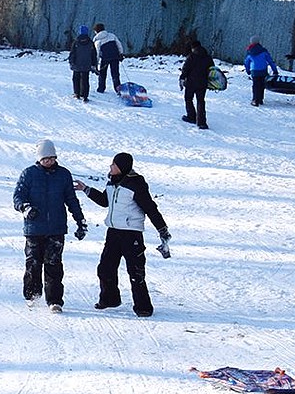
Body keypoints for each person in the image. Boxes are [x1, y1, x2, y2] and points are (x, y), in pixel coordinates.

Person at [74, 153, 169, 318]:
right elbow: (105, 201)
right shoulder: (112, 182)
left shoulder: (136, 185)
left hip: (131, 234)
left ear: (122, 167)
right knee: (105, 268)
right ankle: (110, 299)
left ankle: (143, 307)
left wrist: (162, 229)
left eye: (113, 164)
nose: (110, 167)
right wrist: (86, 189)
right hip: (113, 233)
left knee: (136, 272)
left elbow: (150, 208)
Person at [12, 139, 87, 313]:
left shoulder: (63, 175)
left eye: (52, 158)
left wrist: (80, 221)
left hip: (56, 228)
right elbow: (18, 196)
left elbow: (71, 200)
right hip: (34, 228)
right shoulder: (28, 174)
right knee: (33, 263)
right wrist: (25, 207)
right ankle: (32, 295)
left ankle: (54, 300)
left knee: (54, 264)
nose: (49, 161)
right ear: (39, 159)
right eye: (45, 158)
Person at [179, 39, 212, 129]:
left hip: (191, 83)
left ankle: (191, 116)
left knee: (188, 98)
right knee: (201, 101)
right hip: (203, 83)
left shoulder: (191, 57)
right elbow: (212, 70)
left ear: (193, 48)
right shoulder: (208, 57)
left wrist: (182, 78)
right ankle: (202, 122)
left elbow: (185, 69)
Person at [244, 35, 278, 106]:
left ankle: (255, 99)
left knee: (255, 85)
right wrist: (274, 70)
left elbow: (247, 62)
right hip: (263, 71)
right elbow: (270, 61)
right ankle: (260, 99)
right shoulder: (263, 50)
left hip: (254, 71)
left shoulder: (250, 51)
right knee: (262, 85)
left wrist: (247, 70)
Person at [92, 22, 124, 94]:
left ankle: (101, 88)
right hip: (115, 57)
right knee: (115, 74)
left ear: (96, 31)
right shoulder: (112, 35)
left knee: (102, 74)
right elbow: (119, 44)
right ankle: (118, 89)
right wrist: (121, 54)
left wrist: (96, 64)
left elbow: (97, 53)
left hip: (105, 59)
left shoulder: (97, 41)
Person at [68, 24, 97, 102]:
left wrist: (71, 62)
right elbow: (94, 54)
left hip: (77, 64)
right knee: (85, 80)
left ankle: (77, 93)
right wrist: (94, 64)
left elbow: (72, 53)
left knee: (76, 78)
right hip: (87, 64)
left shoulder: (76, 42)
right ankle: (85, 96)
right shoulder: (90, 42)